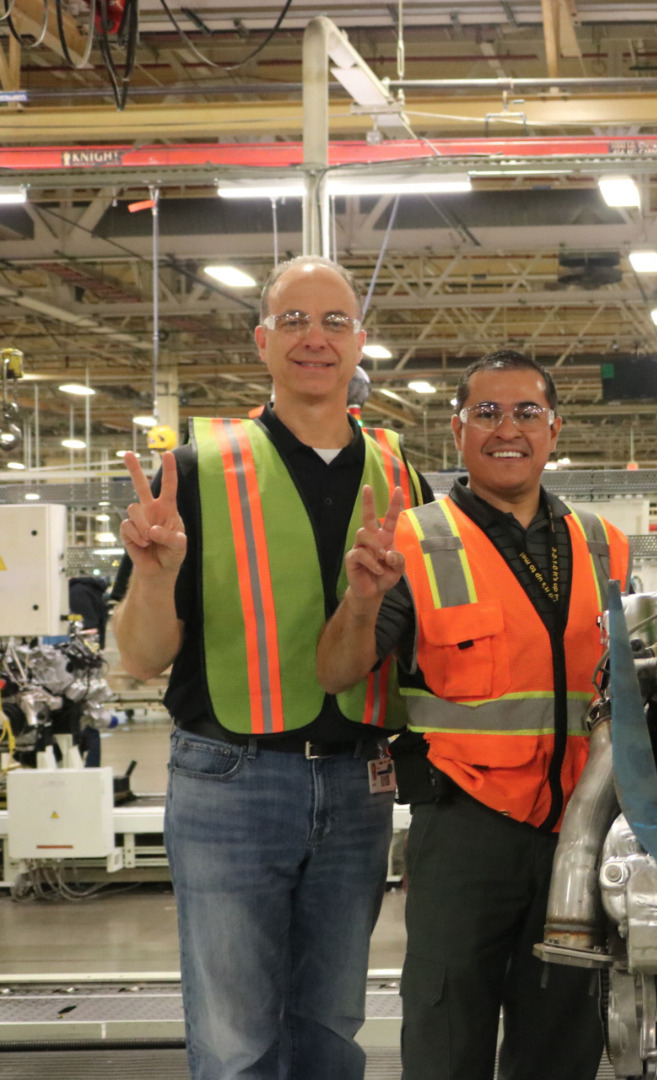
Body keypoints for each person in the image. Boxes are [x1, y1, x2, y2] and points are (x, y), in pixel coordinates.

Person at [111, 254, 429, 1080]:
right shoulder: (194, 469)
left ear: (361, 343)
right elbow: (140, 658)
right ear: (261, 341)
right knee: (235, 1039)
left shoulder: (404, 476)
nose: (314, 339)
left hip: (359, 782)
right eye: (294, 320)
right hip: (230, 782)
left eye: (333, 323)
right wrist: (154, 573)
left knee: (331, 1031)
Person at [316, 350, 630, 1080]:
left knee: (563, 1042)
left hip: (579, 833)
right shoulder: (412, 541)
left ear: (554, 429)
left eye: (526, 412)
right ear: (458, 430)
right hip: (464, 832)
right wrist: (362, 601)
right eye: (486, 413)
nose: (506, 429)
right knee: (446, 1036)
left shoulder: (602, 543)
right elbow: (336, 672)